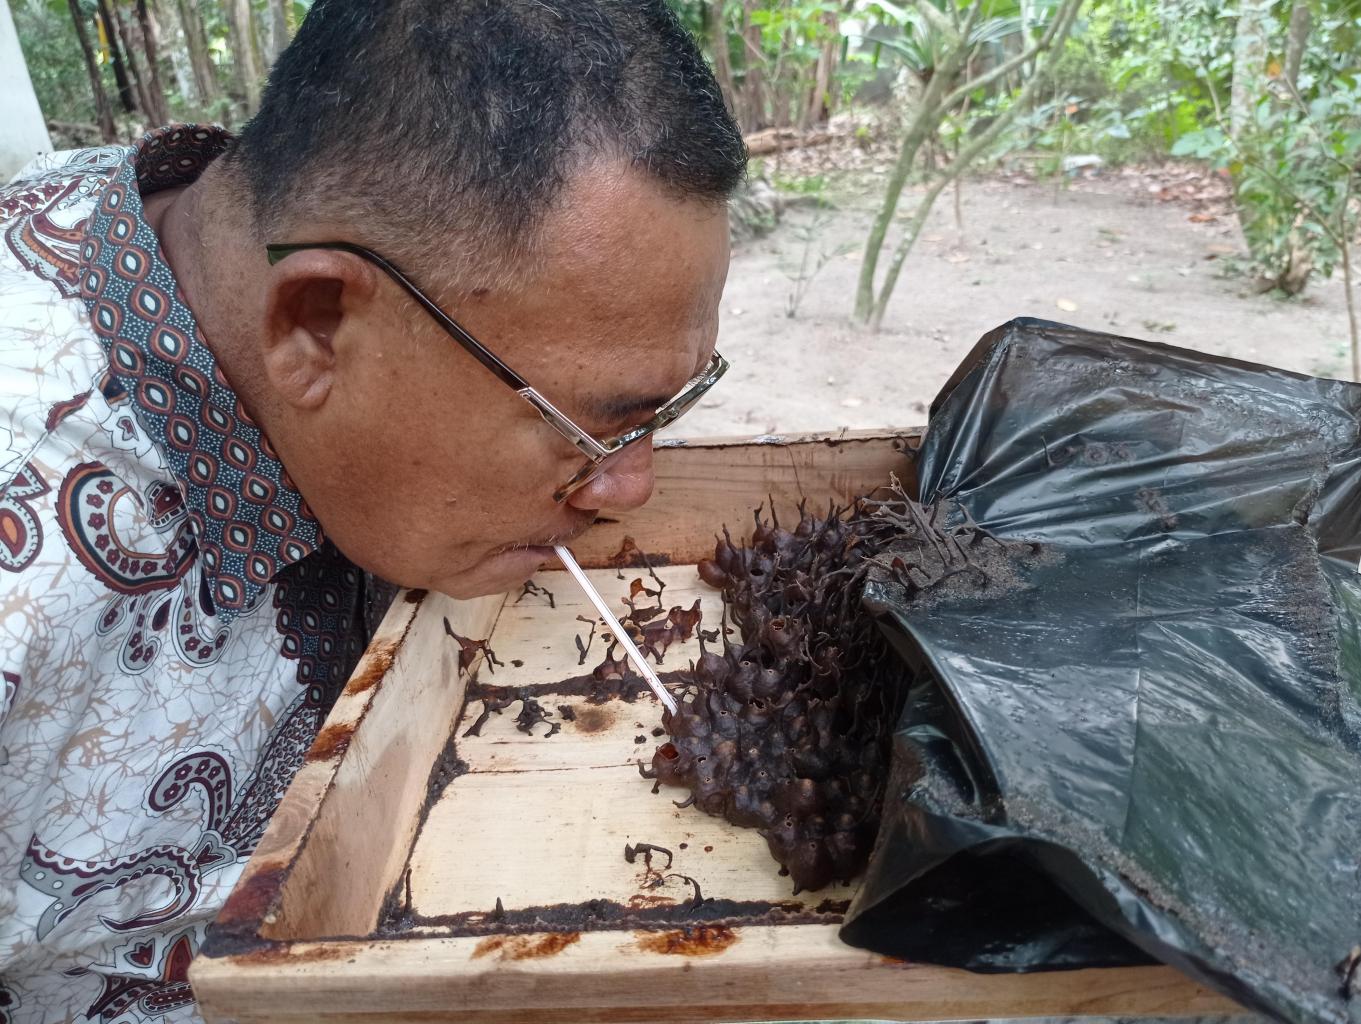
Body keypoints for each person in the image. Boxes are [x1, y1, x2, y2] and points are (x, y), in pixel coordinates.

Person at [0, 1, 745, 1019]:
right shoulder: (26, 578)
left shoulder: (234, 244)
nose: (629, 488)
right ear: (314, 324)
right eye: (594, 422)